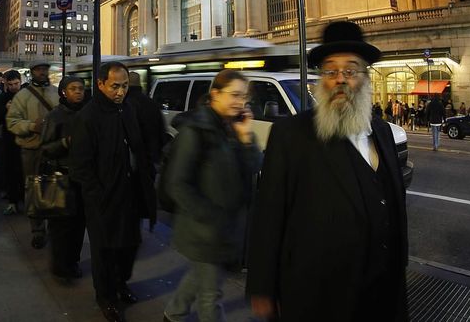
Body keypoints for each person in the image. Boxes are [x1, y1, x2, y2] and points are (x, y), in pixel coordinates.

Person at [246, 21, 409, 321]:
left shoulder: (383, 132)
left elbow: (393, 207)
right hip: (320, 296)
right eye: (330, 71)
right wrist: (262, 287)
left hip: (382, 294)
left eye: (350, 70)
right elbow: (268, 215)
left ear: (365, 77)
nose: (340, 80)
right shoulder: (291, 135)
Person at [163, 69, 262, 322]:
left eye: (244, 97)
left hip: (226, 228)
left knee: (202, 278)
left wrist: (246, 136)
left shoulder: (231, 127)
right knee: (211, 295)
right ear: (215, 94)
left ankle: (173, 313)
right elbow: (177, 184)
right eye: (235, 95)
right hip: (204, 230)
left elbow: (252, 168)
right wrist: (211, 217)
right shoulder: (196, 130)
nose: (240, 102)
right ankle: (174, 313)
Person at [70, 61, 156, 322]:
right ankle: (105, 296)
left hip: (131, 192)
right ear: (100, 85)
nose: (120, 92)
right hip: (104, 199)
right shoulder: (87, 117)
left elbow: (138, 146)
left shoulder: (128, 109)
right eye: (115, 86)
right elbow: (81, 166)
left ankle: (121, 284)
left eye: (125, 86)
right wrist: (98, 195)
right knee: (105, 251)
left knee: (129, 244)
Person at [6, 61, 59, 249]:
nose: (42, 72)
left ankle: (53, 225)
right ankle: (37, 230)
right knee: (33, 189)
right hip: (31, 149)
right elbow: (11, 122)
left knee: (55, 188)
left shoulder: (56, 93)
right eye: (39, 69)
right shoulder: (23, 96)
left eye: (45, 69)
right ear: (32, 72)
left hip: (54, 149)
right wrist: (31, 127)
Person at [40, 76, 87, 280]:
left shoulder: (87, 114)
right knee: (61, 226)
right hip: (61, 177)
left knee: (78, 225)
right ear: (63, 92)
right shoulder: (55, 116)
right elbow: (45, 149)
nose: (78, 92)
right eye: (73, 88)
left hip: (82, 177)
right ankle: (60, 265)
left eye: (81, 89)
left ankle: (72, 261)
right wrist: (65, 143)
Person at [0, 70, 24, 215]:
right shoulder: (2, 98)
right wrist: (5, 109)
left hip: (25, 138)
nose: (14, 87)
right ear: (5, 83)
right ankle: (13, 201)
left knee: (24, 170)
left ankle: (24, 199)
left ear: (20, 81)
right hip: (9, 139)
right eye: (10, 84)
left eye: (16, 84)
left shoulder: (27, 96)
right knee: (11, 170)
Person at [125, 71, 166, 167]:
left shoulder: (125, 104)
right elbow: (161, 129)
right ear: (139, 83)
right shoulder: (152, 103)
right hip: (152, 155)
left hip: (134, 158)